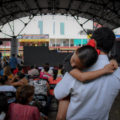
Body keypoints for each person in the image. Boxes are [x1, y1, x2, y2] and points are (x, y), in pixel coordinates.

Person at [54, 27, 120, 120]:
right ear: (111, 46)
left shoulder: (77, 69)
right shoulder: (117, 72)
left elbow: (58, 94)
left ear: (93, 42)